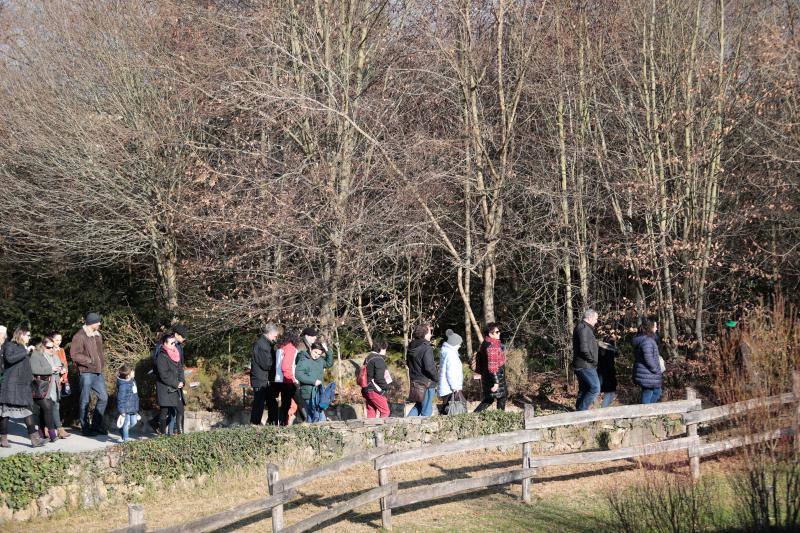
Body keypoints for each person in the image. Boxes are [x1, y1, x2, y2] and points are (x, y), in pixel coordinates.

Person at [0, 327, 45, 447]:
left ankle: (34, 439)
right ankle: (3, 439)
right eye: (28, 335)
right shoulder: (10, 345)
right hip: (11, 384)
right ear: (20, 335)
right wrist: (25, 351)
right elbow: (9, 359)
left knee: (27, 411)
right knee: (5, 413)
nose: (29, 337)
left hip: (23, 386)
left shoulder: (22, 348)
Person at [71, 312, 108, 436]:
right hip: (86, 372)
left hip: (98, 372)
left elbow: (100, 352)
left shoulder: (98, 335)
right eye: (98, 322)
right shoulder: (79, 336)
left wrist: (101, 364)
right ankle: (85, 428)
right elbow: (74, 355)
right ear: (92, 323)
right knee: (85, 401)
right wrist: (89, 361)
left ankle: (96, 425)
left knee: (104, 398)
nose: (99, 323)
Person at [30, 338, 61, 442]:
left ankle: (42, 433)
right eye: (49, 347)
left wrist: (59, 368)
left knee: (45, 410)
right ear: (42, 346)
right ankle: (51, 433)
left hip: (47, 387)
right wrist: (51, 369)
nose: (51, 349)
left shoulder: (49, 355)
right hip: (38, 387)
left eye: (52, 347)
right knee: (47, 408)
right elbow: (34, 369)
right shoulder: (36, 355)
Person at [294, 340, 333, 423]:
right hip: (308, 393)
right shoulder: (304, 360)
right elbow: (298, 374)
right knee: (319, 416)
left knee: (312, 416)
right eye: (315, 352)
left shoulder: (320, 360)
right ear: (311, 349)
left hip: (318, 392)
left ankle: (310, 433)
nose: (316, 355)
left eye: (319, 354)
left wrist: (327, 350)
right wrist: (313, 381)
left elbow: (329, 363)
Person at [250, 323, 280, 425]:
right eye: (275, 336)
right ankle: (254, 424)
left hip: (264, 379)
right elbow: (266, 364)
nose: (276, 338)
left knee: (272, 402)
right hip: (260, 379)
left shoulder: (266, 344)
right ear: (270, 333)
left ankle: (272, 423)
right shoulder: (262, 345)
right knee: (259, 403)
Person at [154, 333, 184, 435]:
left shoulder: (176, 353)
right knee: (164, 412)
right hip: (165, 389)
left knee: (180, 409)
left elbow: (180, 369)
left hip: (174, 388)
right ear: (165, 344)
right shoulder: (161, 356)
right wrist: (176, 383)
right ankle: (162, 433)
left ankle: (179, 432)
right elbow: (164, 375)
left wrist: (181, 381)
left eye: (174, 343)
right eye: (171, 343)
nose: (174, 345)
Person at [474, 323, 507, 413]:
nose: (499, 333)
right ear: (490, 333)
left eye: (499, 331)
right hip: (496, 378)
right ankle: (500, 419)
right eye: (497, 332)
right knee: (501, 398)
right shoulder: (493, 347)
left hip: (487, 377)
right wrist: (496, 383)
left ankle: (474, 416)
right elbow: (492, 366)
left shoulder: (485, 343)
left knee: (489, 399)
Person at [406, 323, 437, 417]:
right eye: (430, 332)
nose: (431, 334)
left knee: (419, 405)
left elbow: (408, 363)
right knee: (426, 410)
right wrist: (436, 378)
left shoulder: (411, 347)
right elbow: (429, 367)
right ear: (424, 333)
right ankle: (425, 430)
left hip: (415, 381)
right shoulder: (426, 347)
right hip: (426, 383)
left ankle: (405, 424)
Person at [573, 309, 600, 411]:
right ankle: (582, 411)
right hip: (585, 365)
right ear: (590, 318)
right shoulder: (583, 329)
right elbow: (584, 349)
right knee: (595, 388)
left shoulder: (584, 328)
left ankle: (578, 412)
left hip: (583, 364)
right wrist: (592, 360)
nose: (596, 321)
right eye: (596, 319)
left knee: (584, 389)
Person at [633, 318, 663, 404]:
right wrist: (655, 369)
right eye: (655, 326)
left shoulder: (644, 339)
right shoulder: (647, 341)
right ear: (651, 327)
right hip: (648, 372)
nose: (656, 328)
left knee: (655, 391)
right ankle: (645, 413)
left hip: (645, 372)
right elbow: (648, 358)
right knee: (649, 392)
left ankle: (648, 412)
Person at [361, 337, 391, 419]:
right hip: (374, 390)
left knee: (371, 411)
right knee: (385, 411)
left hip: (366, 389)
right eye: (385, 349)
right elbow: (379, 378)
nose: (386, 351)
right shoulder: (378, 359)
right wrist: (387, 387)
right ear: (381, 348)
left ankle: (370, 431)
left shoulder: (368, 358)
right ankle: (382, 430)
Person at [49, 332, 71, 438]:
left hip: (60, 380)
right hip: (51, 380)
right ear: (51, 340)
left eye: (60, 340)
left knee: (57, 403)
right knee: (53, 404)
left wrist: (64, 377)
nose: (59, 342)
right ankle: (55, 428)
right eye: (57, 340)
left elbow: (65, 364)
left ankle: (56, 427)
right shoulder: (49, 350)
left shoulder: (61, 350)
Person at [438, 329, 464, 415]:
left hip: (446, 387)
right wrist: (455, 387)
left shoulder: (447, 352)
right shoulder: (451, 355)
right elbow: (451, 373)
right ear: (454, 343)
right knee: (454, 409)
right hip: (450, 388)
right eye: (459, 344)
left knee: (448, 408)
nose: (460, 346)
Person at [277, 330, 300, 425]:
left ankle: (283, 425)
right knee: (301, 404)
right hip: (288, 380)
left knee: (285, 406)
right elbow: (286, 367)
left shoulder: (281, 347)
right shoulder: (291, 348)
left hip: (280, 381)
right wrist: (293, 380)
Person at [116, 365, 140, 442]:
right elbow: (120, 399)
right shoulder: (123, 386)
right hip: (125, 409)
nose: (134, 372)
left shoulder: (133, 381)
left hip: (133, 408)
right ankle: (126, 439)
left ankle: (122, 430)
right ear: (127, 376)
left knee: (134, 422)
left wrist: (136, 409)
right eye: (132, 372)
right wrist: (122, 411)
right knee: (126, 424)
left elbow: (135, 395)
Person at [597, 341, 618, 408]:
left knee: (610, 393)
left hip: (605, 373)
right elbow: (610, 363)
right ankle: (603, 409)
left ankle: (602, 408)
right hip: (607, 374)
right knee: (609, 393)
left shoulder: (601, 349)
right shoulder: (609, 350)